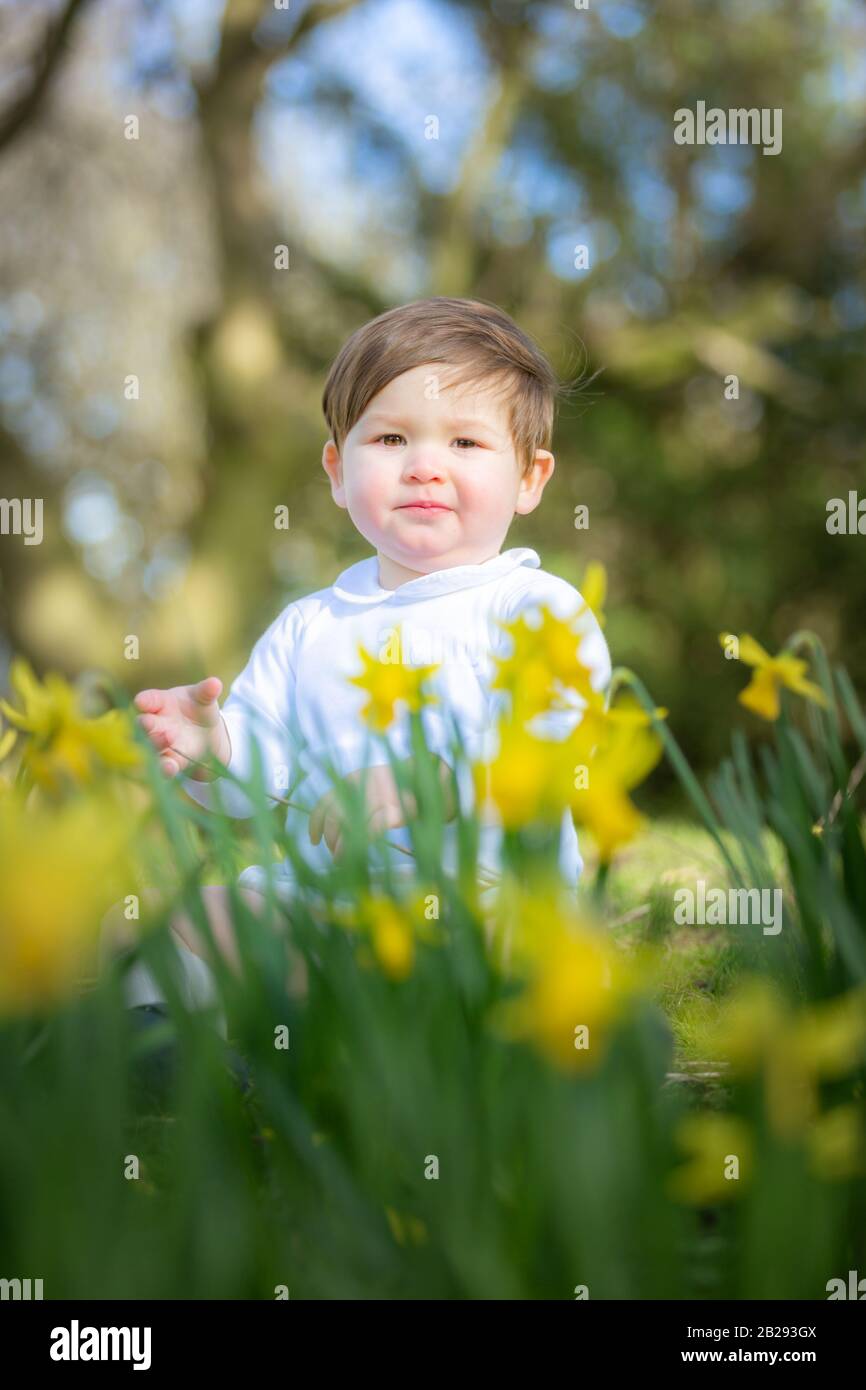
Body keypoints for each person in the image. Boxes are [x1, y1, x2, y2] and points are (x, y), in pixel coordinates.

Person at [100, 296, 611, 1028]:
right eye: (393, 438)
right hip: (324, 896)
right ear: (338, 471)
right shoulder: (309, 627)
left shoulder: (535, 609)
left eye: (466, 444)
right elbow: (258, 775)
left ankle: (250, 1034)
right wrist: (214, 747)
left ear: (530, 478)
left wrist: (428, 782)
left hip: (490, 903)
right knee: (162, 916)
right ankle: (155, 1042)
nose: (425, 467)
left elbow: (562, 751)